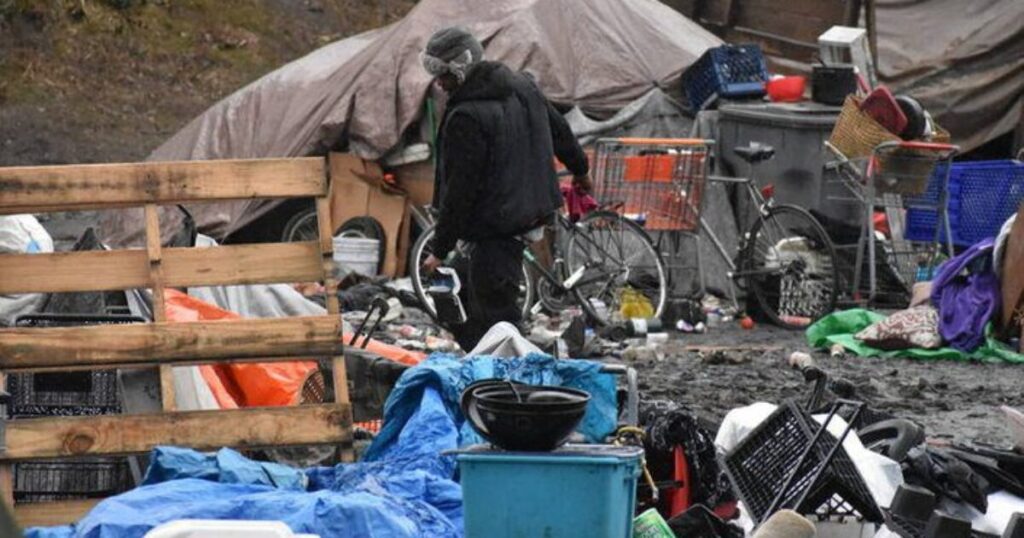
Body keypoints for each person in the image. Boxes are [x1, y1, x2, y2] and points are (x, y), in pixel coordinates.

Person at [420, 26, 591, 351]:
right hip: (524, 213)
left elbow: (460, 191)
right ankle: (490, 362)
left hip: (495, 226)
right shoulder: (523, 87)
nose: (438, 83)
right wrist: (581, 169)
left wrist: (440, 248)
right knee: (463, 300)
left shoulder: (466, 117)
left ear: (460, 68)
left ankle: (519, 375)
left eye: (443, 74)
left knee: (496, 316)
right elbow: (560, 130)